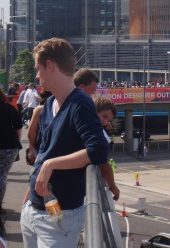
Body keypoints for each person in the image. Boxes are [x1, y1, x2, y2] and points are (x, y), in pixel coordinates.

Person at [20, 38, 109, 248]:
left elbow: (98, 150)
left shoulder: (80, 104)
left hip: (58, 219)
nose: (36, 75)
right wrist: (27, 200)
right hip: (33, 210)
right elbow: (44, 153)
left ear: (50, 66)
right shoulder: (49, 104)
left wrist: (51, 164)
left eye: (38, 68)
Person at [0, 87, 23, 215]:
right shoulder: (9, 109)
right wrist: (16, 142)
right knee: (2, 177)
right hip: (9, 146)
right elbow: (18, 128)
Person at [93, 96, 120, 201]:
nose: (105, 122)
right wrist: (113, 187)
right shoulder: (97, 134)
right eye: (104, 116)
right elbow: (105, 167)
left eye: (108, 119)